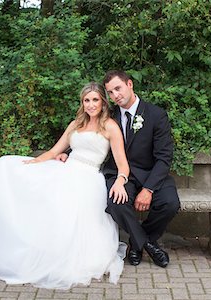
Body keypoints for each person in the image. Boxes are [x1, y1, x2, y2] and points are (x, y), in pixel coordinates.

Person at [0, 82, 130, 289]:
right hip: (66, 169)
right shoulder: (76, 124)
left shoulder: (110, 126)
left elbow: (122, 165)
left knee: (61, 208)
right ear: (82, 103)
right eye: (86, 100)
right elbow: (54, 151)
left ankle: (50, 255)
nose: (91, 105)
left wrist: (120, 181)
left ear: (103, 102)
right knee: (6, 165)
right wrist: (32, 164)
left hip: (88, 178)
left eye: (95, 100)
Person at [57, 70, 180, 268]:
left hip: (151, 173)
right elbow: (89, 133)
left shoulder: (156, 115)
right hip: (121, 175)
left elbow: (164, 157)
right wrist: (68, 152)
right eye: (111, 92)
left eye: (118, 88)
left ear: (130, 84)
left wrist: (148, 190)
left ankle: (137, 242)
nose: (116, 96)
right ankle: (148, 245)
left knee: (170, 204)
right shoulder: (108, 114)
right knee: (116, 204)